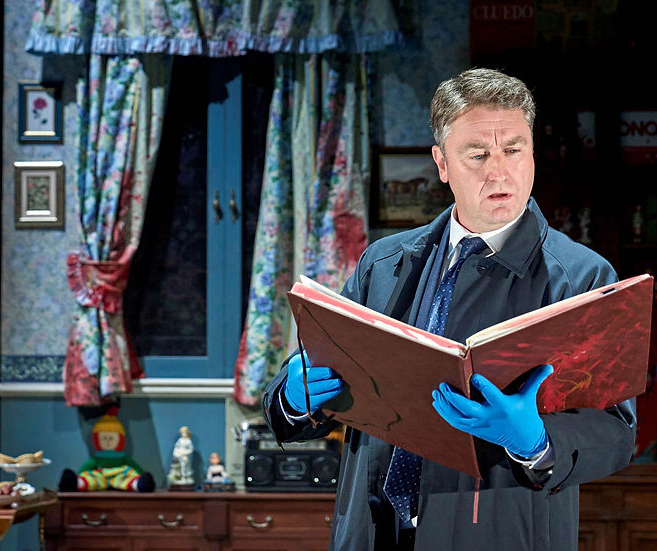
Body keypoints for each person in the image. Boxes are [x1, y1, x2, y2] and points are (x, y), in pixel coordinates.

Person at [262, 68, 637, 551]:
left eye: (513, 150)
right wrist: (294, 397)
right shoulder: (383, 263)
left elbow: (617, 432)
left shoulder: (582, 278)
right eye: (477, 155)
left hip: (499, 535)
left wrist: (537, 441)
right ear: (442, 163)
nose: (499, 172)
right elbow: (308, 382)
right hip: (371, 532)